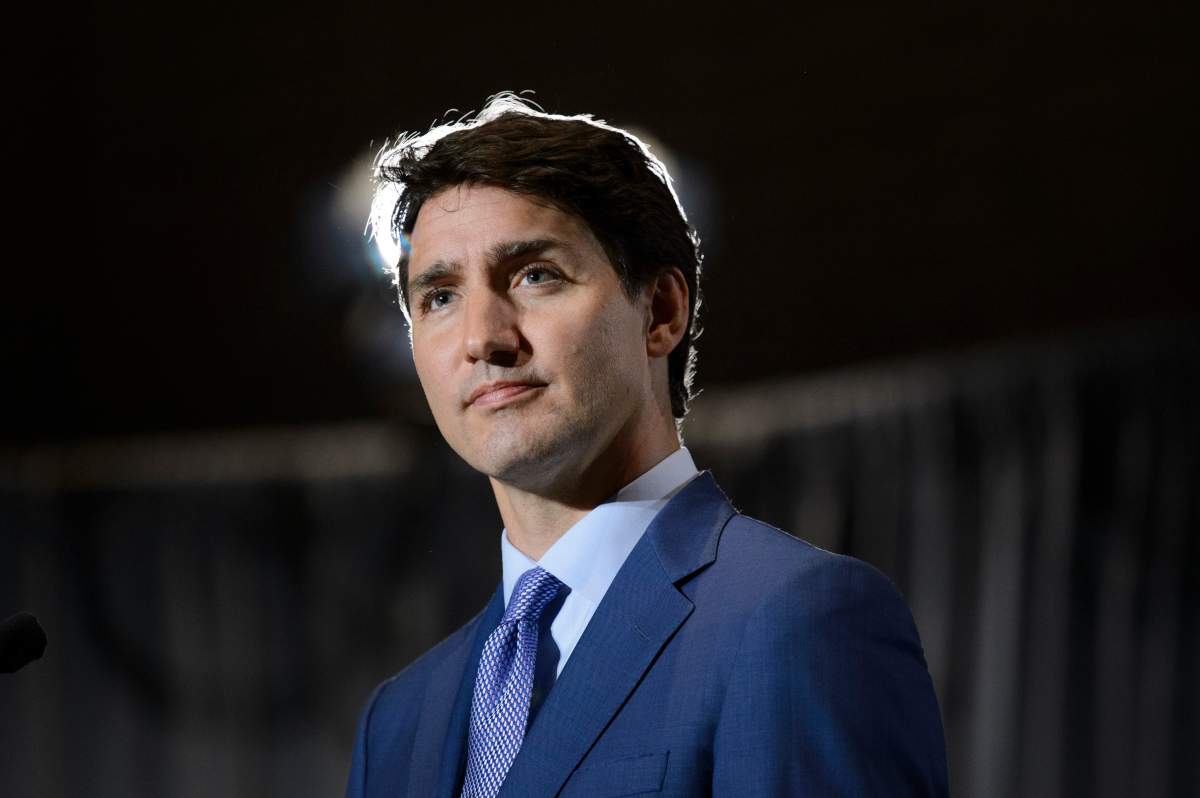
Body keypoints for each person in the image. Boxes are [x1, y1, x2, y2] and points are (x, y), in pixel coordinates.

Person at [346, 93, 948, 797]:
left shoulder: (796, 621)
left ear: (660, 311)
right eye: (439, 296)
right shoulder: (398, 719)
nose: (483, 338)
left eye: (536, 275)